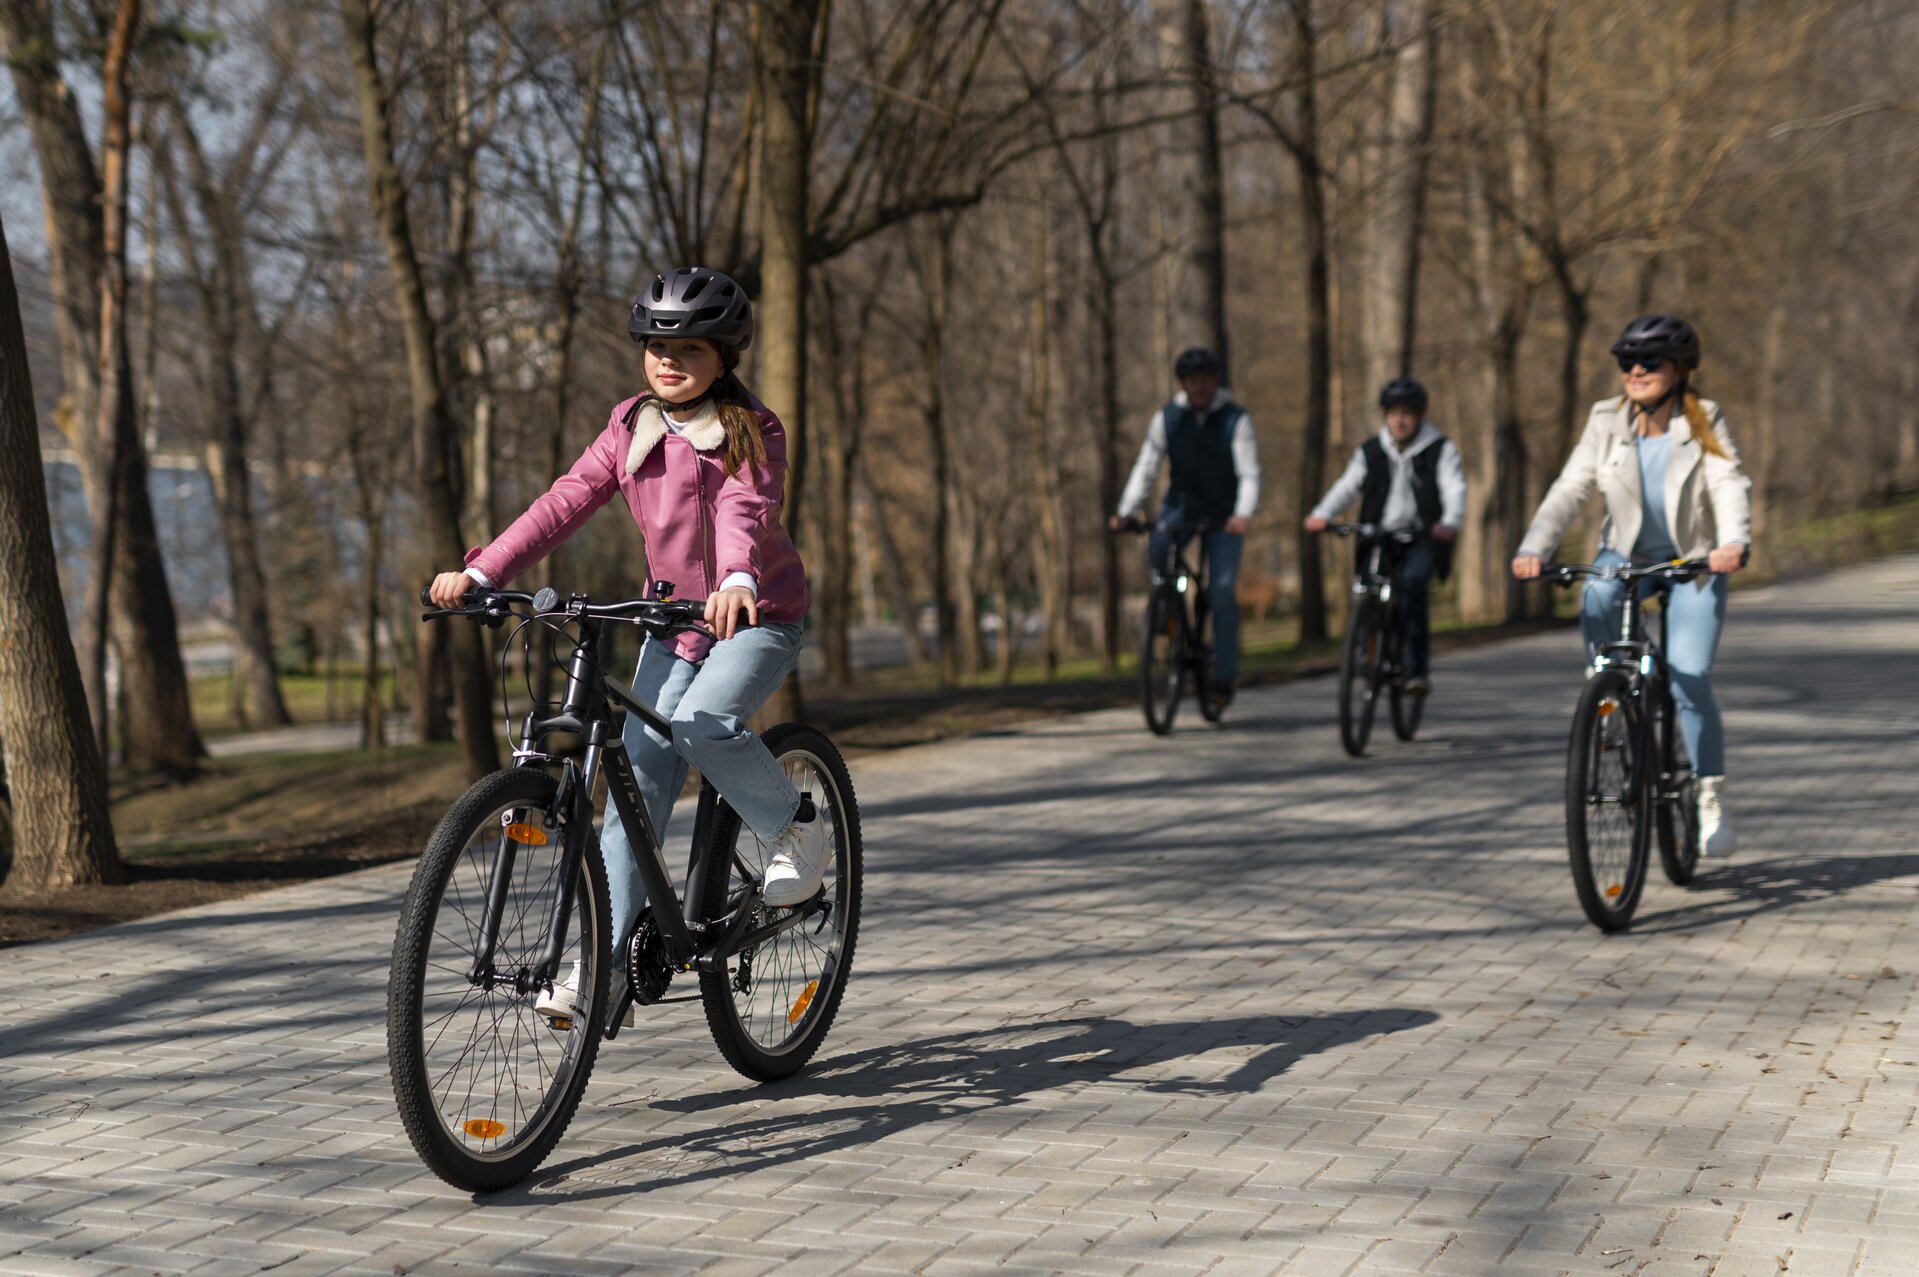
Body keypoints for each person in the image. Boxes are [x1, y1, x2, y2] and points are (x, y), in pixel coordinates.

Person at [425, 266, 821, 1022]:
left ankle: (795, 828)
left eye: (691, 350)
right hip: (669, 622)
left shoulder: (751, 428)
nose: (669, 362)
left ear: (723, 358)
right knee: (631, 794)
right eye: (657, 347)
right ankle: (604, 967)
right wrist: (483, 571)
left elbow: (745, 506)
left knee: (702, 724)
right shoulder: (630, 426)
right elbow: (565, 500)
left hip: (755, 615)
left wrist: (738, 576)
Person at [1512, 313, 1751, 858]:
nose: (1635, 371)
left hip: (1695, 562)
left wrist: (1733, 542)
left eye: (1649, 361)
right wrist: (1534, 547)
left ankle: (1708, 796)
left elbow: (1728, 481)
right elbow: (1571, 487)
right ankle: (1610, 687)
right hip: (1626, 555)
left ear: (1679, 369)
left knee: (1690, 677)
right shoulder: (1606, 420)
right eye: (1626, 361)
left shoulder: (1704, 419)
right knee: (1596, 591)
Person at [1109, 347, 1260, 702]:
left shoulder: (1235, 419)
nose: (1200, 387)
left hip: (1225, 514)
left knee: (1220, 591)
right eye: (1193, 381)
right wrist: (1126, 511)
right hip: (1181, 507)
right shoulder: (1167, 418)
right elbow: (1146, 467)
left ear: (1215, 382)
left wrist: (1242, 514)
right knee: (1158, 548)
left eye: (1205, 380)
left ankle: (1223, 677)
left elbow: (1249, 473)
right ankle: (1167, 612)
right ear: (1182, 384)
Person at [1304, 377, 1465, 697]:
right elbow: (1347, 486)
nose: (1399, 420)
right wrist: (1322, 514)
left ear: (1419, 415)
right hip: (1378, 534)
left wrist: (1450, 521)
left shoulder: (1440, 449)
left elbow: (1454, 487)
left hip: (1420, 535)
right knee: (1365, 586)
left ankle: (1415, 669)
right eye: (1393, 413)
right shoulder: (1371, 450)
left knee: (1413, 586)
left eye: (1406, 413)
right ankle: (1367, 652)